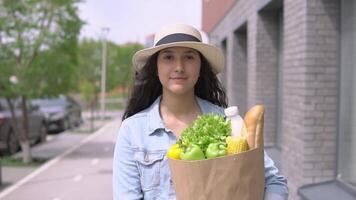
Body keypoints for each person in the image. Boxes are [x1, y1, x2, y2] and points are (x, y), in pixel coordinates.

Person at [113, 24, 288, 200]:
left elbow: (274, 181)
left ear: (200, 67)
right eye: (168, 57)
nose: (179, 67)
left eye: (189, 57)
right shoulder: (132, 130)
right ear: (156, 67)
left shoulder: (227, 122)